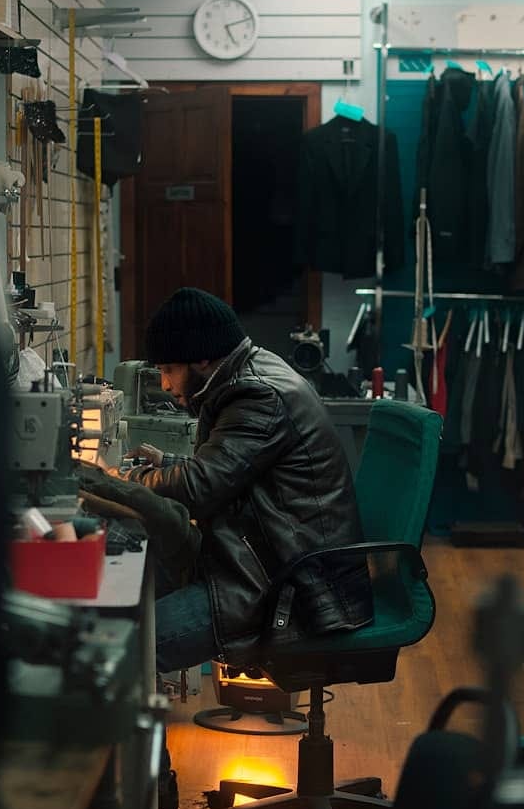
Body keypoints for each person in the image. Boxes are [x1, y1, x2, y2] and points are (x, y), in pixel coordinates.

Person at [124, 287, 374, 677]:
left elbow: (199, 489)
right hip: (261, 559)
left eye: (169, 370)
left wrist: (122, 480)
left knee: (123, 649)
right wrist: (168, 464)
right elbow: (237, 472)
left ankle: (140, 734)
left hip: (289, 588)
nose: (167, 385)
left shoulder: (256, 395)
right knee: (130, 586)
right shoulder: (251, 370)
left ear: (202, 359)